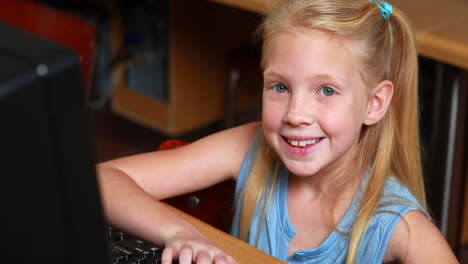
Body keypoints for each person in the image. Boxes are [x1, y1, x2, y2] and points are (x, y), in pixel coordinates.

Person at [97, 0, 460, 263]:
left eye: (327, 91)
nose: (296, 115)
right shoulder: (248, 149)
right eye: (280, 87)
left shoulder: (397, 225)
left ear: (374, 103)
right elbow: (103, 179)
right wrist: (178, 232)